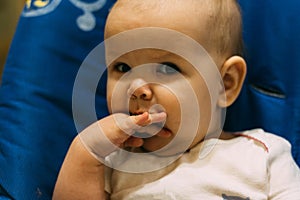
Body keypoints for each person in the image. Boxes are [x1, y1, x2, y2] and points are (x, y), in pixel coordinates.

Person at [53, 0, 300, 199]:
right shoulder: (111, 164)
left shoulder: (263, 155)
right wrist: (85, 153)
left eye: (167, 68)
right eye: (122, 67)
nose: (138, 90)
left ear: (225, 84)